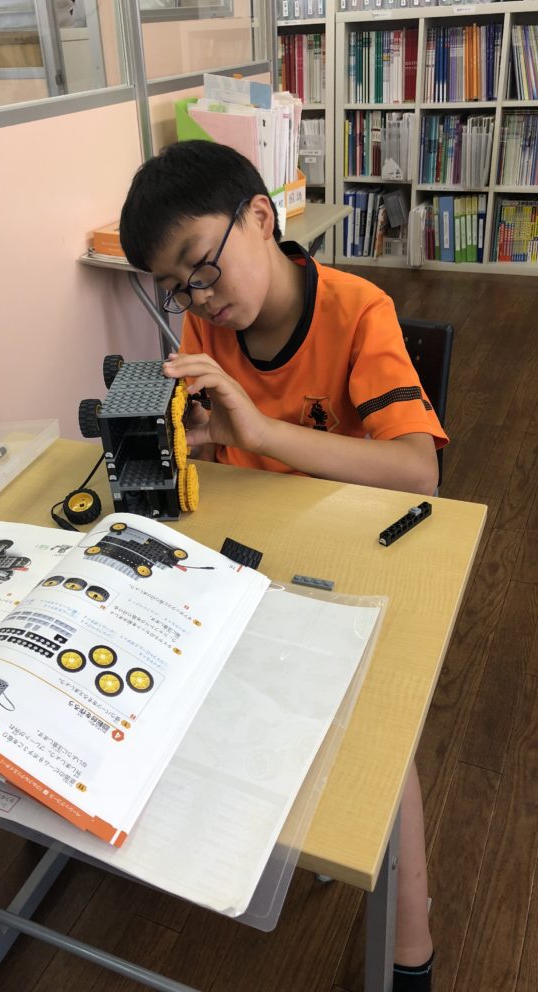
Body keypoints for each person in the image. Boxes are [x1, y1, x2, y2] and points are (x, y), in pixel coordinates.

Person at [119, 139, 446, 992]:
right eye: (177, 287)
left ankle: (411, 942)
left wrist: (260, 433)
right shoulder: (208, 321)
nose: (199, 298)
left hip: (353, 558)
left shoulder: (358, 310)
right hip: (252, 557)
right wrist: (194, 439)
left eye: (202, 265)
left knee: (385, 739)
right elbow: (225, 459)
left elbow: (417, 470)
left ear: (261, 217)